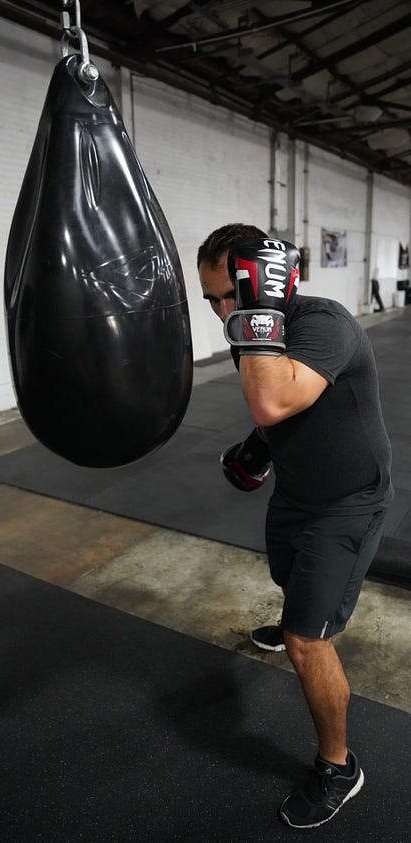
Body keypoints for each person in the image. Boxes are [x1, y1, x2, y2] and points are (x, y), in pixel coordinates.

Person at [197, 223, 393, 829]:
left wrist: (257, 310)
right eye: (213, 301)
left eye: (232, 293)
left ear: (264, 282)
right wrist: (257, 449)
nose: (224, 311)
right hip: (297, 493)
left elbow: (273, 400)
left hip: (348, 504)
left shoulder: (322, 324)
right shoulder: (251, 326)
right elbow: (276, 409)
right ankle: (296, 619)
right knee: (288, 582)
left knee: (310, 639)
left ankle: (339, 768)